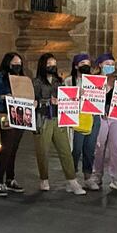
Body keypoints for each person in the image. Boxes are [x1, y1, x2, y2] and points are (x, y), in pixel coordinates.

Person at [31, 53, 86, 195]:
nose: (52, 66)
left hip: (58, 118)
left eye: (54, 64)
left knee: (65, 150)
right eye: (49, 64)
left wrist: (75, 95)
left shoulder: (58, 81)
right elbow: (33, 102)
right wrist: (48, 101)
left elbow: (65, 96)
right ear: (43, 65)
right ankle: (44, 178)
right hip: (42, 120)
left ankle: (72, 180)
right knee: (43, 151)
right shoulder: (36, 82)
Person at [87, 54, 117, 191]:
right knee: (98, 146)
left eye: (112, 63)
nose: (110, 66)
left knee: (116, 147)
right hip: (100, 116)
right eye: (107, 63)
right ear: (100, 65)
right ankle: (96, 175)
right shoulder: (94, 81)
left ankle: (116, 178)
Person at [0, 52, 27, 196]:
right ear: (8, 63)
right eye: (14, 64)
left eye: (19, 64)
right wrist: (3, 97)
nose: (17, 66)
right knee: (7, 146)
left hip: (20, 114)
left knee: (14, 147)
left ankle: (10, 178)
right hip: (4, 113)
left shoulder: (21, 78)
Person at [69, 54, 100, 183]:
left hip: (92, 117)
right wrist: (76, 94)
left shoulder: (95, 81)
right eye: (82, 64)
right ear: (76, 66)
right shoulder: (69, 81)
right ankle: (72, 177)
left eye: (88, 63)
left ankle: (88, 177)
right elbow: (65, 98)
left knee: (89, 148)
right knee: (76, 149)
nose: (86, 66)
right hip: (77, 117)